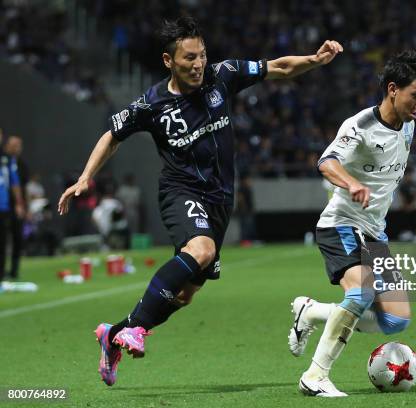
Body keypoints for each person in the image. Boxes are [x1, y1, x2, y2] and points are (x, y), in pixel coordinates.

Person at [57, 16, 343, 387]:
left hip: (220, 200)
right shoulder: (152, 103)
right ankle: (138, 328)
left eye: (202, 55)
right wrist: (85, 178)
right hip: (181, 191)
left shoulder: (221, 76)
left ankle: (113, 335)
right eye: (189, 58)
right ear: (168, 60)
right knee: (202, 250)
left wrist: (315, 60)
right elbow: (112, 135)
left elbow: (278, 68)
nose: (197, 64)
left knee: (186, 294)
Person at [289, 50, 416, 397]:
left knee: (396, 320)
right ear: (393, 89)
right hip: (341, 223)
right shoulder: (360, 126)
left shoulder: (409, 125)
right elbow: (326, 162)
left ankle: (310, 311)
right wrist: (352, 183)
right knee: (361, 292)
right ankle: (316, 376)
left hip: (374, 232)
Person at [0, 134, 26, 284]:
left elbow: (15, 182)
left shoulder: (7, 159)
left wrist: (18, 203)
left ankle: (2, 274)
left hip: (3, 206)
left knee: (3, 241)